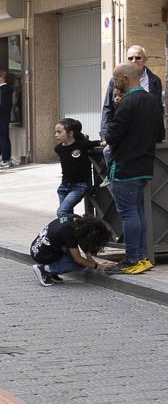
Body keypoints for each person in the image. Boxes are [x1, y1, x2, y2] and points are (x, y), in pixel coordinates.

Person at [106, 63, 166, 274]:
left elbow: (112, 136)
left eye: (115, 79)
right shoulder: (151, 100)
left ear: (125, 78)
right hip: (144, 165)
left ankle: (133, 259)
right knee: (137, 212)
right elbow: (160, 133)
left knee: (129, 213)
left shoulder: (127, 102)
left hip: (126, 166)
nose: (114, 83)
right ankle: (141, 258)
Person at [100, 45, 164, 150]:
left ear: (145, 59)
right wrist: (104, 135)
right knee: (108, 152)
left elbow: (158, 108)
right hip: (123, 134)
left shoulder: (154, 80)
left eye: (138, 58)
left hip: (147, 136)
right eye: (130, 58)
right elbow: (108, 108)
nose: (134, 61)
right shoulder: (116, 80)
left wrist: (159, 134)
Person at [30, 215, 112, 286]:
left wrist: (93, 262)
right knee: (79, 264)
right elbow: (78, 259)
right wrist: (97, 266)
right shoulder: (67, 232)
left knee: (84, 261)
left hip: (39, 248)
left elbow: (83, 242)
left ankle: (52, 273)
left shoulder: (76, 220)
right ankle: (45, 269)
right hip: (41, 255)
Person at [52, 118, 96, 218]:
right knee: (65, 215)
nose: (56, 135)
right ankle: (70, 231)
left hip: (79, 186)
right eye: (55, 132)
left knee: (62, 212)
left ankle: (79, 222)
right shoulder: (58, 149)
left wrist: (104, 142)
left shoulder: (82, 145)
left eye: (59, 132)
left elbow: (96, 143)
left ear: (70, 133)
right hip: (64, 186)